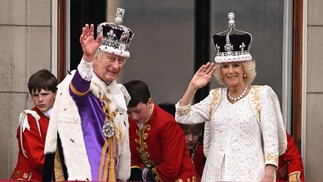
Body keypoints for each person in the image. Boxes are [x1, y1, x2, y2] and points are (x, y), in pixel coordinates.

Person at [175, 12, 287, 181]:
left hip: (250, 174)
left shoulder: (261, 95)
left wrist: (269, 174)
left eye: (236, 65)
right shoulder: (215, 97)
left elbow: (271, 141)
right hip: (215, 175)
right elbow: (183, 116)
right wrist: (193, 87)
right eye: (225, 66)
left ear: (245, 69)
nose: (230, 71)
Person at [42, 8, 134, 181]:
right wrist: (86, 60)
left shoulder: (117, 94)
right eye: (111, 59)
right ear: (97, 59)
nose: (116, 66)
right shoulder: (84, 85)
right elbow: (77, 89)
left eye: (120, 61)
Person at [124, 80, 198, 181]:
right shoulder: (131, 120)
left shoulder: (166, 124)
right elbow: (132, 156)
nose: (134, 117)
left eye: (138, 111)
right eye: (129, 112)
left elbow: (170, 168)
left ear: (150, 102)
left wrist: (145, 175)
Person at [10, 69, 58, 181]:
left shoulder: (62, 117)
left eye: (45, 94)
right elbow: (38, 159)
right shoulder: (30, 118)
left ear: (55, 94)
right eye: (35, 95)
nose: (40, 100)